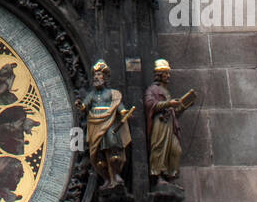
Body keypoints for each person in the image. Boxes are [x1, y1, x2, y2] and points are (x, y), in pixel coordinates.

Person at [75, 60, 134, 188]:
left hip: (109, 122)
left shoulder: (113, 94)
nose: (96, 77)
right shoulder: (92, 95)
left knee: (113, 148)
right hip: (95, 124)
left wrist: (124, 112)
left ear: (105, 77)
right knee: (97, 153)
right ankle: (106, 177)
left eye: (99, 74)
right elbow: (84, 107)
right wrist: (81, 105)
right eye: (95, 75)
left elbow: (118, 106)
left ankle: (115, 174)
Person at [145, 59, 195, 182]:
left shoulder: (166, 91)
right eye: (166, 73)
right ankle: (158, 175)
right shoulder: (153, 89)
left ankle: (169, 176)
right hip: (160, 123)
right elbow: (149, 104)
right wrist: (168, 103)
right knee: (160, 147)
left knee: (176, 149)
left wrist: (183, 106)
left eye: (168, 73)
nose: (168, 76)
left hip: (170, 124)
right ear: (159, 75)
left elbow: (173, 112)